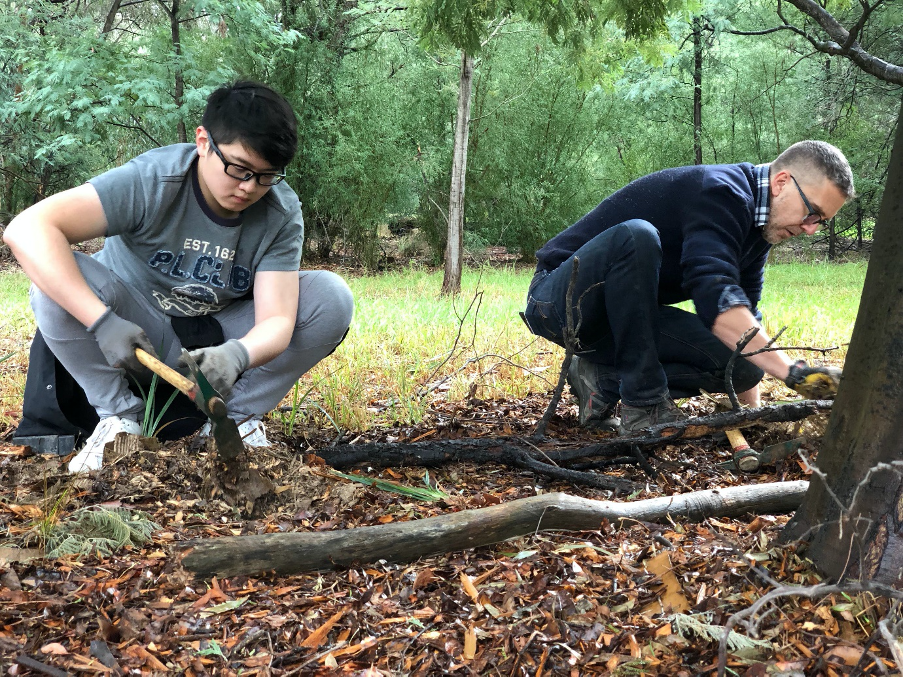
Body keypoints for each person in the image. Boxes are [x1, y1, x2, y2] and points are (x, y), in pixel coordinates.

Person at [4, 81, 354, 473]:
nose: (249, 188)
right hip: (137, 328)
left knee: (330, 297)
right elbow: (28, 229)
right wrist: (101, 322)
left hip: (218, 336)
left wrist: (239, 355)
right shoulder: (153, 180)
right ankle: (120, 421)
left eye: (266, 175)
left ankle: (233, 418)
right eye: (239, 169)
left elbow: (277, 319)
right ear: (204, 141)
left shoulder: (279, 212)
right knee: (51, 285)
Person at [523, 140, 851, 434]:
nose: (811, 229)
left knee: (746, 365)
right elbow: (714, 293)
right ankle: (644, 405)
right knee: (637, 236)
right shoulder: (721, 192)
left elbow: (743, 319)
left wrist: (751, 417)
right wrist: (792, 372)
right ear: (782, 182)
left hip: (622, 323)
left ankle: (600, 381)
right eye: (812, 213)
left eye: (820, 223)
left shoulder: (758, 229)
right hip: (559, 301)